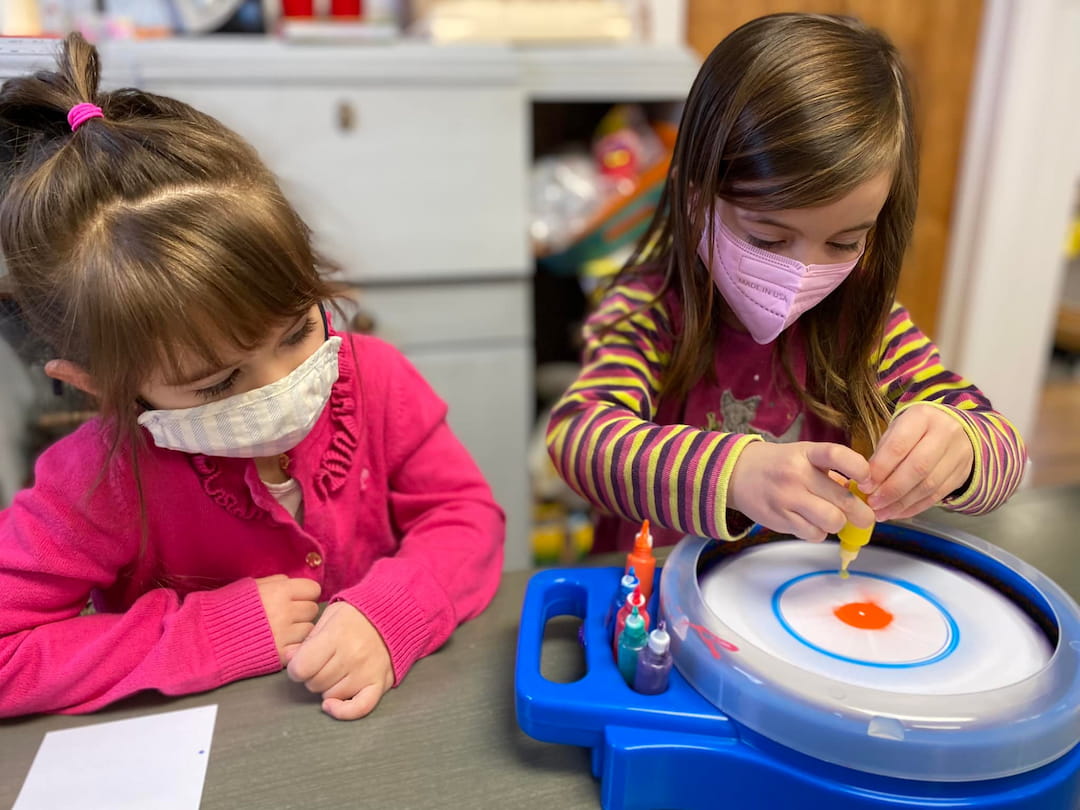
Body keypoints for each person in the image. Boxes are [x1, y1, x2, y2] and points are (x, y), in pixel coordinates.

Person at [0, 33, 504, 719]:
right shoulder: (97, 479)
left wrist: (395, 612)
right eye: (216, 384)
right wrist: (208, 632)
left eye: (297, 330)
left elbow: (467, 518)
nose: (282, 385)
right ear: (96, 384)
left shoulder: (375, 379)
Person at [547, 13, 1026, 553]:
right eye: (768, 240)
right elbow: (579, 438)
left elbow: (1004, 448)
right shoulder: (648, 306)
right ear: (693, 196)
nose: (801, 273)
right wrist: (735, 472)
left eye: (844, 243)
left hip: (790, 597)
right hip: (652, 587)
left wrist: (959, 447)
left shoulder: (864, 318)